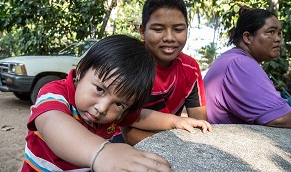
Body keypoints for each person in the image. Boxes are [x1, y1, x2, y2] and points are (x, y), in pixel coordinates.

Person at [21, 34, 211, 172]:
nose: (103, 108)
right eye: (100, 89)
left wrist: (175, 121)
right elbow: (52, 122)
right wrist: (102, 152)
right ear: (81, 70)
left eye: (119, 104)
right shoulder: (55, 92)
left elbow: (139, 117)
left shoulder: (115, 112)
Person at [121, 0, 211, 146]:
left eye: (178, 30)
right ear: (143, 31)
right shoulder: (128, 63)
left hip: (172, 139)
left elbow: (199, 123)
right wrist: (170, 147)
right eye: (158, 29)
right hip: (123, 142)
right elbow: (126, 124)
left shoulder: (190, 69)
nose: (169, 37)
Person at [204, 7, 291, 128]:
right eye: (271, 32)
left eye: (279, 33)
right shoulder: (241, 64)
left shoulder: (231, 58)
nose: (278, 39)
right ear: (247, 37)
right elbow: (280, 119)